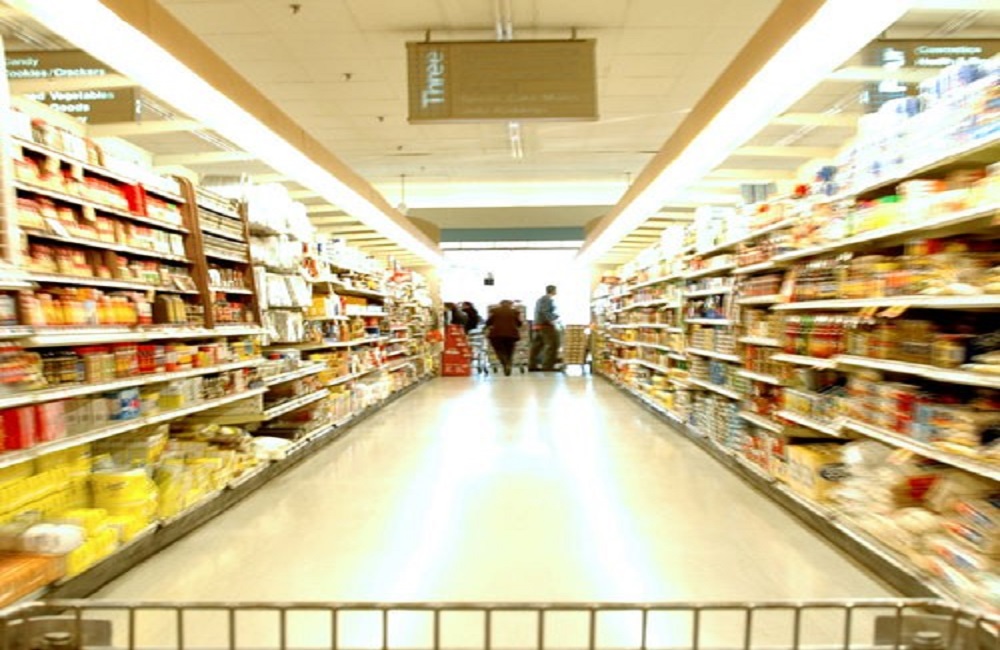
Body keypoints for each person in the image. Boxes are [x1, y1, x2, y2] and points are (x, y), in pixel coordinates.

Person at [485, 300, 522, 376]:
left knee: (499, 350)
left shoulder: (495, 311)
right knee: (510, 351)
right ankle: (508, 364)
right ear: (510, 305)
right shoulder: (514, 312)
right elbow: (519, 323)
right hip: (512, 334)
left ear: (500, 304)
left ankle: (505, 364)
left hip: (497, 334)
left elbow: (488, 322)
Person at [529, 285, 560, 372]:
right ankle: (547, 366)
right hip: (545, 326)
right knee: (552, 345)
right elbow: (545, 311)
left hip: (537, 325)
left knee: (537, 346)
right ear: (553, 290)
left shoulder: (540, 299)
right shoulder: (547, 299)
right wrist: (553, 319)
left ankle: (532, 365)